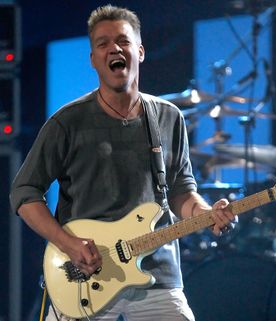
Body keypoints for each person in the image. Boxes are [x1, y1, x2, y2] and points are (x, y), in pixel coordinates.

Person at [10, 4, 236, 321]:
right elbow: (23, 193)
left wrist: (206, 213)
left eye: (123, 41)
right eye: (103, 43)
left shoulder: (168, 117)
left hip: (157, 277)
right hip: (85, 277)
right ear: (93, 59)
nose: (114, 48)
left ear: (139, 52)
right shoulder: (67, 122)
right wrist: (67, 243)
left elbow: (181, 190)